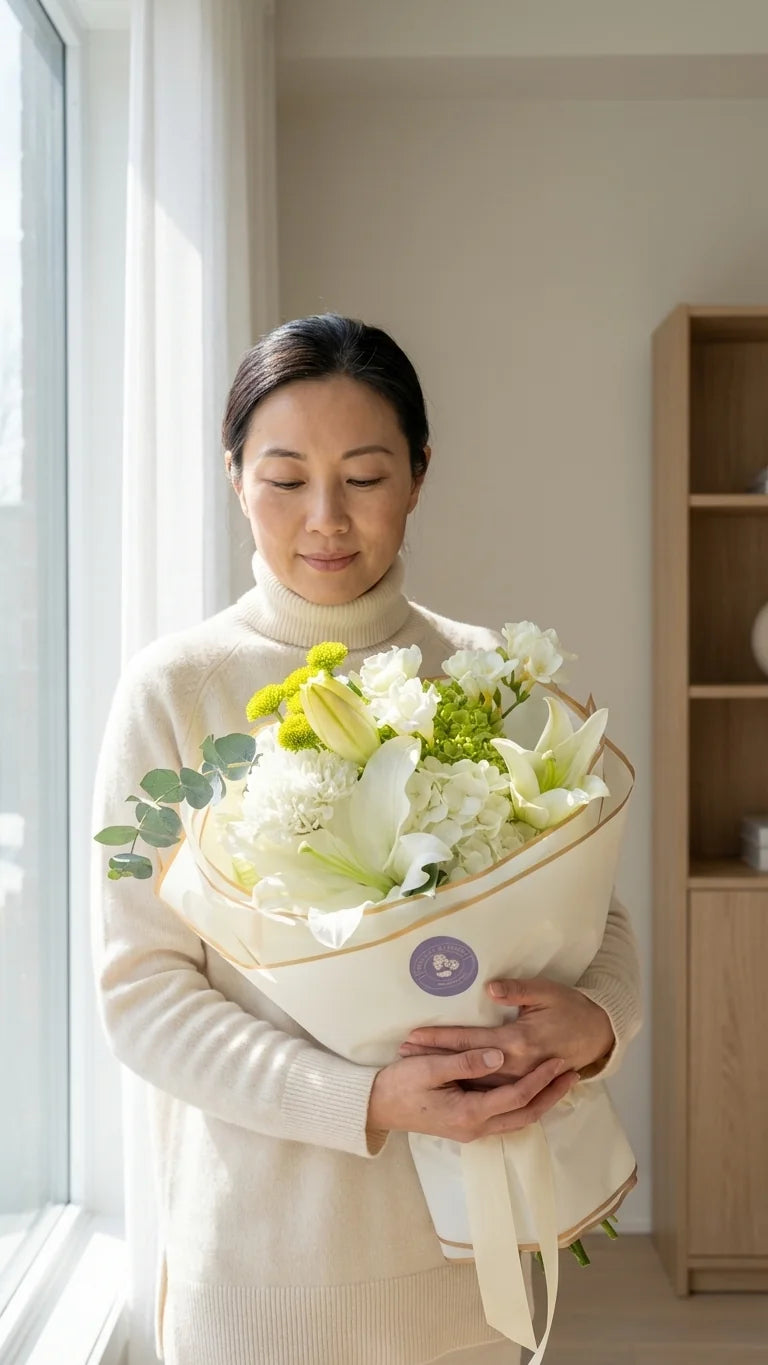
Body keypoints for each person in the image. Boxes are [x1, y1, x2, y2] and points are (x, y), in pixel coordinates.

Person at [91, 313, 641, 1365]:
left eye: (368, 475)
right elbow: (142, 997)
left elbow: (593, 919)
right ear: (234, 476)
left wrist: (599, 1019)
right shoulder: (173, 694)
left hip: (471, 1273)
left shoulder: (489, 678)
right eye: (286, 477)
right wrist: (370, 1099)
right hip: (261, 1280)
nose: (327, 519)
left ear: (421, 475)